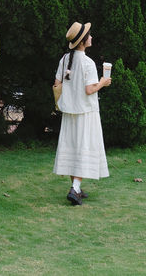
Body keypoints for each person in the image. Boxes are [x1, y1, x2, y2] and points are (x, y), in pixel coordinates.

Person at [53, 21, 111, 205]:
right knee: (84, 148)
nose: (91, 37)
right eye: (89, 35)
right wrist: (103, 82)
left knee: (73, 147)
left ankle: (76, 188)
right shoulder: (88, 62)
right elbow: (89, 90)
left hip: (70, 112)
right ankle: (75, 188)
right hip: (86, 112)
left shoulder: (65, 59)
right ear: (82, 41)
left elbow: (56, 82)